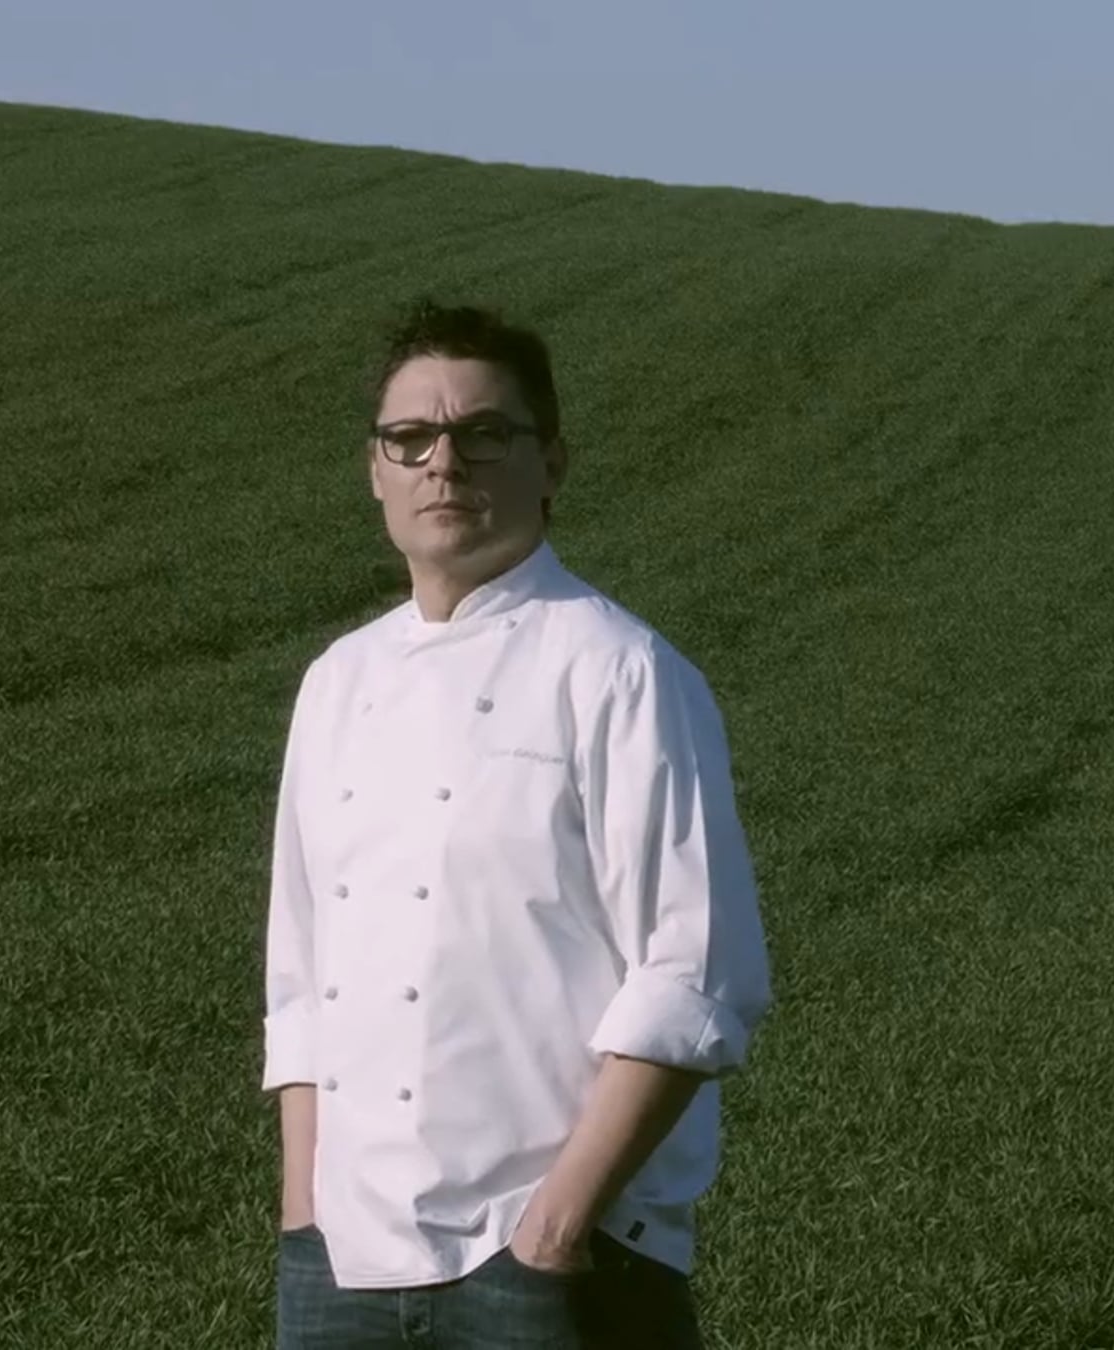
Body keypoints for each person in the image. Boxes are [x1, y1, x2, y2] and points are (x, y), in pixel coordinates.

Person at [258, 299, 774, 1348]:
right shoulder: (338, 682)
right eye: (411, 438)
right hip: (342, 1263)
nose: (444, 464)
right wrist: (305, 1213)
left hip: (552, 1259)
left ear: (552, 464)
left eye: (484, 433)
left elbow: (695, 974)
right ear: (375, 471)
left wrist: (554, 1229)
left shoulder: (619, 671)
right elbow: (303, 976)